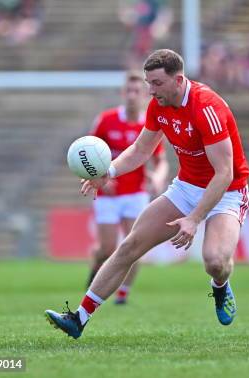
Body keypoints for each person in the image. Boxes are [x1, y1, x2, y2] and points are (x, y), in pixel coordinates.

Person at [45, 49, 249, 338]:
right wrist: (109, 173)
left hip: (227, 191)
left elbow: (224, 173)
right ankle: (78, 319)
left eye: (156, 83)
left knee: (215, 262)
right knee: (129, 247)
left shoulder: (207, 107)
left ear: (178, 80)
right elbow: (142, 149)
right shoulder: (159, 105)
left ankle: (220, 287)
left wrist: (193, 219)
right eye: (148, 83)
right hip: (186, 187)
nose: (150, 91)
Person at [86, 71, 168, 305]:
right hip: (108, 195)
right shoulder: (106, 119)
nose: (132, 96)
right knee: (107, 248)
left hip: (135, 194)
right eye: (128, 91)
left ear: (145, 95)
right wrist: (101, 176)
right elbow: (89, 153)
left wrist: (159, 178)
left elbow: (159, 160)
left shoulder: (149, 124)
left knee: (135, 244)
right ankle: (95, 272)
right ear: (123, 94)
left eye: (137, 92)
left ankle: (123, 293)